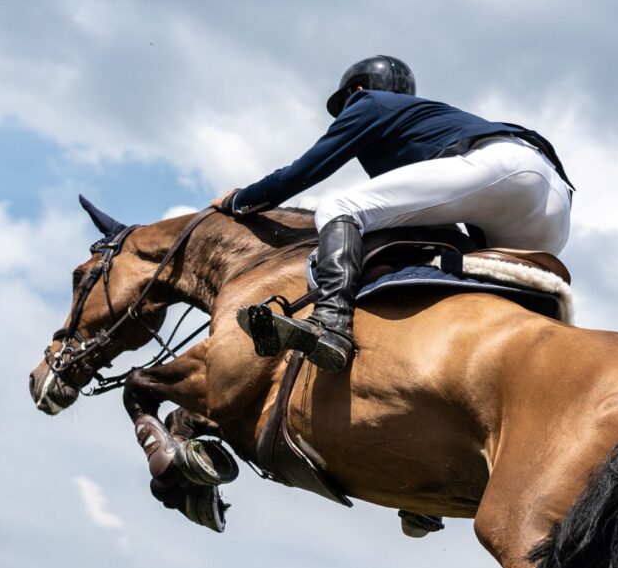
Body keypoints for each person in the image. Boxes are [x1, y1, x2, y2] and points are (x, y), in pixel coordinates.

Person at [212, 55, 574, 373]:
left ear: (356, 88)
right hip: (553, 207)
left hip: (505, 169)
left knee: (339, 208)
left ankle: (331, 324)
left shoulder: (369, 102)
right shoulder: (424, 120)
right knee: (483, 292)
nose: (344, 115)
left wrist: (239, 199)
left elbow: (301, 173)